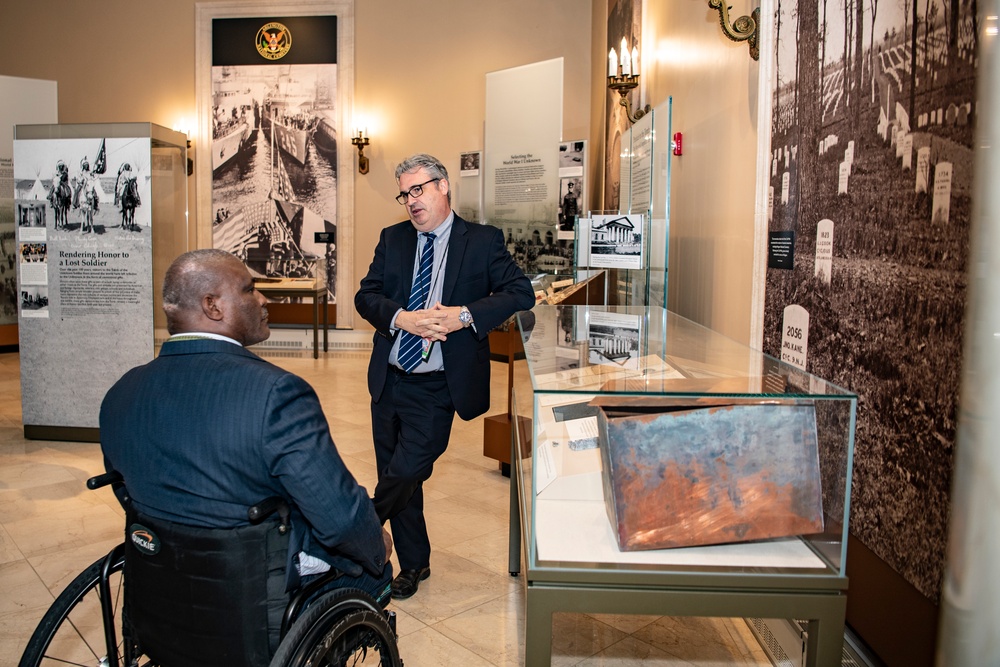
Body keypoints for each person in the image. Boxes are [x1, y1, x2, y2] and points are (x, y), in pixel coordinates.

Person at [100, 250, 393, 621]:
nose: (263, 299)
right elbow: (337, 515)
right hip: (249, 592)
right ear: (213, 306)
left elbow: (126, 490)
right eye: (249, 290)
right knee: (374, 568)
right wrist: (375, 545)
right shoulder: (277, 394)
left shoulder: (121, 393)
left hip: (161, 581)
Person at [355, 153, 534, 599]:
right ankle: (415, 565)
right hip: (390, 377)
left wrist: (465, 315)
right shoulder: (393, 238)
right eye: (404, 193)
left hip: (437, 385)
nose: (411, 202)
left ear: (444, 186)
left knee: (406, 469)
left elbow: (521, 291)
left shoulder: (482, 240)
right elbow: (366, 296)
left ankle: (353, 530)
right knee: (400, 477)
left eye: (419, 190)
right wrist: (401, 318)